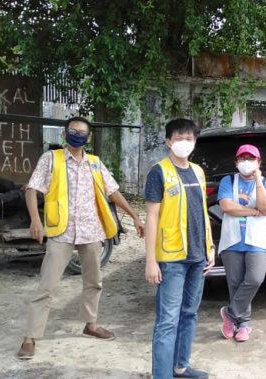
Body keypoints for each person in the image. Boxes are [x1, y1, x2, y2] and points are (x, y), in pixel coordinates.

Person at [16, 116, 145, 360]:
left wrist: (135, 217)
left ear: (88, 137)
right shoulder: (51, 159)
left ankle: (91, 325)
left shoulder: (95, 164)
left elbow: (113, 191)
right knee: (47, 285)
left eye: (82, 132)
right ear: (64, 135)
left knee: (94, 281)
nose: (78, 134)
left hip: (91, 231)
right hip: (61, 231)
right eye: (73, 130)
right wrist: (35, 219)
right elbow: (33, 189)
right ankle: (30, 337)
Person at [144, 118, 215, 379]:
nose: (184, 143)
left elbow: (201, 213)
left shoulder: (198, 171)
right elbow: (152, 217)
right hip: (171, 259)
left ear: (195, 142)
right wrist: (151, 261)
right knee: (167, 321)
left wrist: (210, 247)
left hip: (198, 257)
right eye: (178, 138)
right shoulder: (158, 172)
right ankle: (161, 375)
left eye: (189, 138)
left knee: (189, 314)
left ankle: (180, 367)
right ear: (168, 141)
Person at [217, 144, 266, 342]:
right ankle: (243, 324)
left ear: (259, 162)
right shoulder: (228, 180)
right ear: (236, 162)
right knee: (235, 283)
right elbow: (226, 206)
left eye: (251, 159)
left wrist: (258, 180)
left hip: (256, 240)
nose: (246, 162)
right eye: (242, 158)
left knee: (254, 278)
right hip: (232, 239)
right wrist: (252, 212)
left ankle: (230, 314)